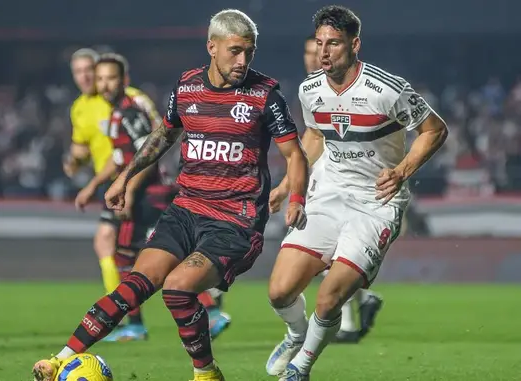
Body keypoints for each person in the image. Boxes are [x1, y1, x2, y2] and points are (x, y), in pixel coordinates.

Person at [32, 9, 309, 381]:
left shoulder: (265, 96)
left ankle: (206, 373)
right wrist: (125, 178)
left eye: (250, 52)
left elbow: (296, 155)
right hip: (185, 209)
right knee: (134, 282)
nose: (243, 61)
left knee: (177, 289)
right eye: (235, 51)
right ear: (212, 46)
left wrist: (295, 200)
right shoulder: (188, 88)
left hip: (235, 222)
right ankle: (61, 358)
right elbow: (161, 137)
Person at [265, 5, 448, 380]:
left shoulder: (386, 89)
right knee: (279, 292)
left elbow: (434, 129)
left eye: (333, 43)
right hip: (329, 192)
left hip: (375, 203)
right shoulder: (310, 89)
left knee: (329, 298)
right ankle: (296, 335)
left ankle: (301, 367)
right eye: (320, 43)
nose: (324, 52)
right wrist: (288, 184)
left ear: (355, 44)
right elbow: (314, 136)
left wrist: (401, 171)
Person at [65, 48, 231, 341]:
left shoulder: (130, 111)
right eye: (100, 79)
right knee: (143, 255)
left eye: (110, 79)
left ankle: (142, 324)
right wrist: (93, 185)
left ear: (124, 79)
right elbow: (121, 157)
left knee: (136, 256)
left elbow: (147, 155)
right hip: (145, 192)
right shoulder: (118, 111)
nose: (103, 85)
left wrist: (128, 191)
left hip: (149, 193)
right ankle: (203, 309)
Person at [303, 33, 384, 344]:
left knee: (334, 251)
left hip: (339, 172)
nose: (314, 57)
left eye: (319, 50)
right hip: (316, 172)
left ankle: (348, 323)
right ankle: (362, 303)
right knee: (324, 254)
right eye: (310, 52)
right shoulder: (310, 90)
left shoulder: (348, 85)